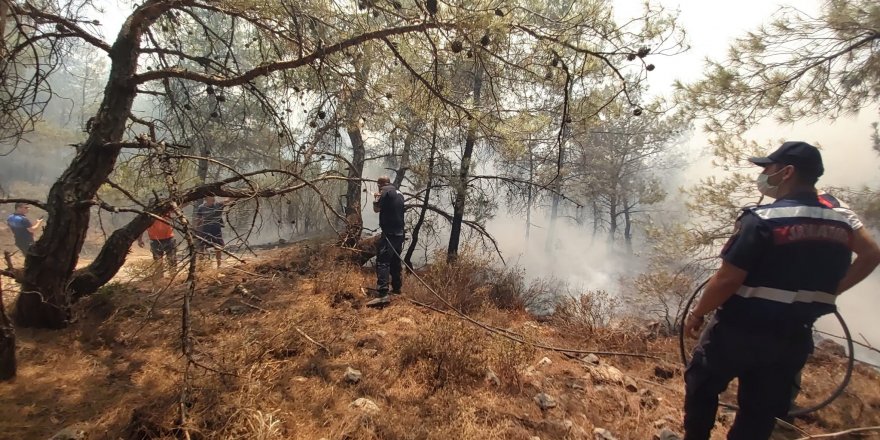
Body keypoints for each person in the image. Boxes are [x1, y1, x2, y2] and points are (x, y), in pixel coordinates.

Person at [682, 142, 856, 440]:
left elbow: (727, 280)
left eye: (768, 169)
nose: (763, 175)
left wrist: (698, 313)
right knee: (760, 410)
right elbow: (870, 255)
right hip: (793, 337)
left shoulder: (764, 220)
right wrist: (831, 291)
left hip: (739, 331)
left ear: (787, 172)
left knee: (702, 384)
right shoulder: (842, 227)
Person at [784, 191, 880, 417]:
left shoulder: (832, 207)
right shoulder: (788, 204)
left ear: (789, 173)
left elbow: (871, 253)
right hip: (790, 294)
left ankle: (779, 409)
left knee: (786, 346)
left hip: (797, 299)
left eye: (770, 170)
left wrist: (832, 291)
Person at [366, 176, 405, 308]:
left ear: (380, 184)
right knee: (395, 260)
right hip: (400, 233)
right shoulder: (399, 192)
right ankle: (397, 289)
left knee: (382, 262)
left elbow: (377, 209)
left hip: (389, 233)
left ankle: (383, 295)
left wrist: (376, 198)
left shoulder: (385, 192)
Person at [137, 213, 177, 277]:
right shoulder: (148, 214)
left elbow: (180, 207)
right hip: (155, 240)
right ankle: (159, 278)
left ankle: (173, 276)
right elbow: (142, 227)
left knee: (172, 259)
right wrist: (139, 240)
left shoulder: (166, 209)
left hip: (169, 238)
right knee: (158, 260)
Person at [195, 195, 226, 268]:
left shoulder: (218, 205)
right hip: (206, 229)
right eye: (211, 197)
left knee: (218, 247)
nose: (213, 199)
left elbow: (227, 200)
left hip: (216, 229)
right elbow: (198, 219)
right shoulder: (201, 207)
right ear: (206, 199)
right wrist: (196, 229)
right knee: (202, 247)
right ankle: (201, 265)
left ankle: (219, 265)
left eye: (213, 197)